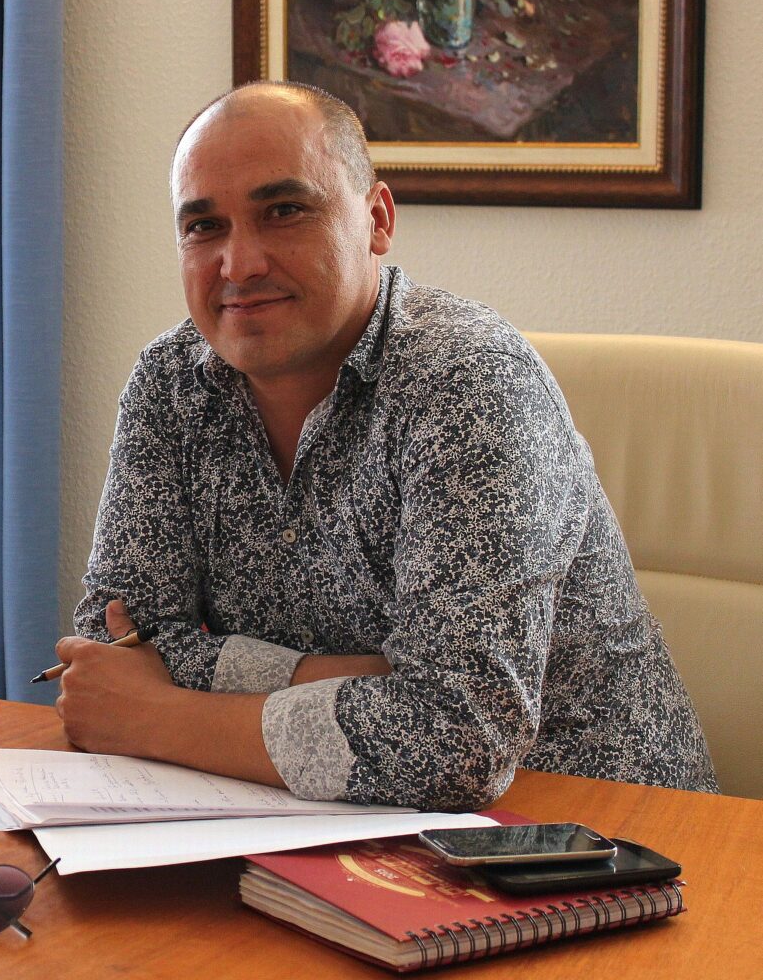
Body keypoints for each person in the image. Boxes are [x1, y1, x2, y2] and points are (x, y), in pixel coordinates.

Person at [55, 81, 717, 810]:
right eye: (204, 226)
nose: (238, 264)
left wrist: (160, 715)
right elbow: (115, 645)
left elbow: (457, 741)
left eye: (284, 211)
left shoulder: (468, 380)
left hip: (593, 822)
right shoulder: (171, 381)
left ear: (376, 219)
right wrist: (371, 677)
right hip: (299, 814)